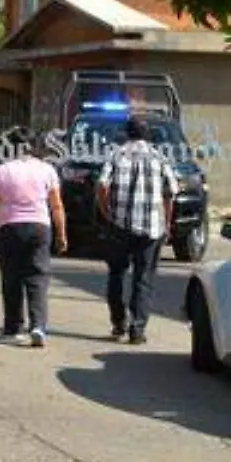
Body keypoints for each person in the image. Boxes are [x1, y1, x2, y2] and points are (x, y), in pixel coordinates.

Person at [0, 127, 68, 347]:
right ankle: (38, 326)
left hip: (9, 227)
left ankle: (13, 327)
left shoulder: (0, 171)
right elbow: (56, 205)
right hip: (39, 227)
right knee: (37, 277)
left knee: (11, 277)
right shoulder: (47, 170)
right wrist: (62, 234)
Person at [96, 115, 179, 345]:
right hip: (152, 228)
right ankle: (137, 329)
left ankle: (118, 323)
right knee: (143, 278)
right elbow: (170, 192)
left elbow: (101, 185)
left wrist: (107, 212)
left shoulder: (116, 155)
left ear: (127, 133)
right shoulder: (160, 157)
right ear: (147, 134)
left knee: (116, 273)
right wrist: (167, 222)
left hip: (119, 225)